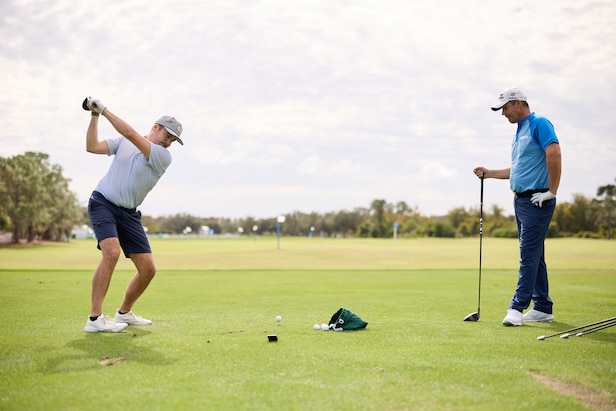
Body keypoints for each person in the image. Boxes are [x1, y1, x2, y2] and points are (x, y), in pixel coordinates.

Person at [83, 97, 183, 332]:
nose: (168, 142)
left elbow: (130, 133)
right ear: (155, 127)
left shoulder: (162, 156)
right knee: (111, 252)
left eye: (173, 140)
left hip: (128, 214)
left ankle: (124, 313)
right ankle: (95, 319)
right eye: (167, 136)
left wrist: (104, 109)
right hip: (103, 203)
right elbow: (92, 146)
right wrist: (94, 116)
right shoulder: (124, 143)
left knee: (148, 269)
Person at [473, 87, 561, 326]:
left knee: (527, 256)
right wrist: (490, 173)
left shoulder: (539, 123)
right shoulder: (519, 132)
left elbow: (554, 154)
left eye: (505, 107)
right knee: (536, 256)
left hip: (537, 200)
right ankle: (542, 306)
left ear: (519, 103)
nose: (503, 114)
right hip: (521, 200)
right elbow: (520, 170)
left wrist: (551, 192)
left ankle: (516, 307)